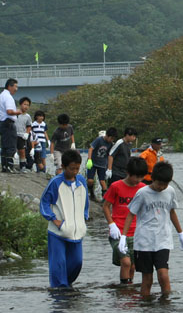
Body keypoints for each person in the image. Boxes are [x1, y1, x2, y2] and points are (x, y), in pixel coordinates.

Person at [120, 161, 183, 297]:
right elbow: (131, 214)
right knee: (147, 279)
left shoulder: (170, 191)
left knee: (163, 274)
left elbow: (172, 212)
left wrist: (181, 234)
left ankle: (166, 305)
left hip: (163, 240)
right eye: (159, 184)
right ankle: (145, 307)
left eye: (165, 184)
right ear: (152, 179)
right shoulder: (142, 193)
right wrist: (123, 237)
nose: (162, 187)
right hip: (144, 242)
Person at [39, 149, 89, 288]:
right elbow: (44, 203)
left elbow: (85, 202)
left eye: (77, 168)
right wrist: (54, 220)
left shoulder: (81, 181)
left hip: (76, 231)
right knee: (58, 264)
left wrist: (83, 218)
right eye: (72, 168)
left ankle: (66, 285)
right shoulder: (56, 183)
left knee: (77, 262)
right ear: (64, 167)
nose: (75, 172)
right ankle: (59, 291)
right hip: (58, 232)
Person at [103, 157, 147, 285]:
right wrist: (112, 225)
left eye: (141, 177)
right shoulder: (116, 186)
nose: (137, 181)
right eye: (135, 177)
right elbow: (105, 206)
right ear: (128, 173)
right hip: (118, 232)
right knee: (126, 262)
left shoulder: (143, 188)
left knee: (133, 266)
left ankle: (129, 290)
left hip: (136, 232)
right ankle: (123, 291)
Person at [0, 78, 23, 173]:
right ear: (10, 86)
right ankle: (10, 167)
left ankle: (4, 166)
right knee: (11, 146)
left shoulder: (1, 95)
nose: (16, 89)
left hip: (2, 123)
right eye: (15, 86)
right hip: (8, 123)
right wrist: (19, 112)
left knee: (4, 146)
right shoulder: (8, 97)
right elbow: (9, 111)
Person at [86, 127, 118, 201]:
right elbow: (91, 149)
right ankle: (91, 193)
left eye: (113, 139)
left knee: (102, 182)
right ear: (107, 135)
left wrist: (109, 168)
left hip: (102, 164)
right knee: (90, 180)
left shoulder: (111, 144)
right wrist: (89, 159)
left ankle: (105, 199)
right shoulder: (99, 140)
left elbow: (110, 155)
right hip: (93, 163)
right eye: (111, 138)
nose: (111, 140)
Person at [15, 97, 33, 173]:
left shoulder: (28, 116)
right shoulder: (15, 113)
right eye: (24, 104)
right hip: (14, 135)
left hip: (22, 136)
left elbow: (29, 126)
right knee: (12, 150)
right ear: (20, 105)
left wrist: (27, 133)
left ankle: (22, 166)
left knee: (22, 151)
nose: (26, 106)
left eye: (27, 105)